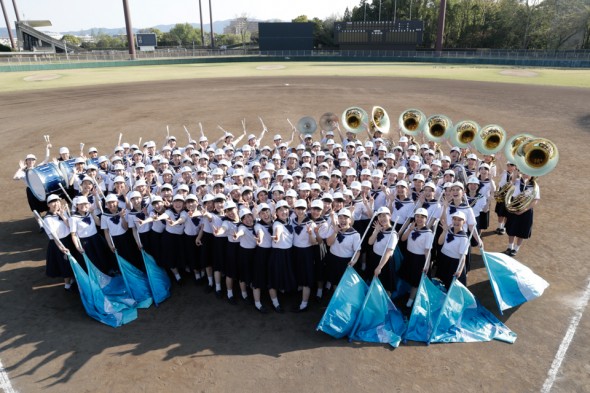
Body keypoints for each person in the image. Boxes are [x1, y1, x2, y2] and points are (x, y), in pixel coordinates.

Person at [40, 194, 78, 291]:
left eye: (57, 201)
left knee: (73, 262)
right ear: (48, 205)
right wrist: (61, 247)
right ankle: (67, 285)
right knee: (65, 264)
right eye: (53, 202)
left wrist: (63, 215)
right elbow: (53, 235)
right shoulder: (47, 219)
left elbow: (70, 226)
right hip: (59, 243)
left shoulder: (62, 212)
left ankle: (74, 280)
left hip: (69, 240)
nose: (56, 204)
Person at [70, 196, 114, 274]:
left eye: (85, 203)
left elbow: (99, 223)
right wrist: (77, 247)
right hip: (85, 242)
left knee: (102, 255)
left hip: (96, 238)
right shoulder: (73, 218)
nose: (83, 206)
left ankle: (108, 271)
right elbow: (73, 234)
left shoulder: (90, 213)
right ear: (77, 206)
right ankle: (98, 275)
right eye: (81, 204)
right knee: (93, 258)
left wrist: (93, 213)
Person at [399, 208, 434, 307]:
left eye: (422, 217)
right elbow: (403, 239)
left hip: (419, 259)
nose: (419, 219)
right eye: (417, 216)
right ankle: (408, 293)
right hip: (409, 256)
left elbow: (427, 251)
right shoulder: (411, 227)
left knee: (416, 281)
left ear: (426, 219)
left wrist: (427, 264)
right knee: (408, 276)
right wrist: (410, 229)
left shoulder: (428, 233)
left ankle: (410, 301)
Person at [268, 200, 297, 313]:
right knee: (273, 279)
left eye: (285, 209)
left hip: (288, 253)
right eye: (281, 210)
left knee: (286, 276)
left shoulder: (289, 220)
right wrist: (277, 237)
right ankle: (275, 303)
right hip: (278, 254)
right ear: (276, 212)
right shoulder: (277, 223)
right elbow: (278, 231)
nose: (284, 212)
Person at [291, 199, 318, 312]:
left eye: (302, 208)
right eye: (298, 208)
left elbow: (314, 242)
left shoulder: (311, 223)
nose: (300, 211)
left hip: (306, 252)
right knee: (297, 273)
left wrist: (311, 234)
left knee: (307, 277)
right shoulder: (292, 221)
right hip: (294, 251)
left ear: (306, 209)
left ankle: (304, 303)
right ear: (295, 209)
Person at [504, 172, 540, 256]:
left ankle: (516, 248)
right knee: (511, 228)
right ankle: (510, 246)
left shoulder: (535, 186)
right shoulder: (516, 181)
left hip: (526, 209)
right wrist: (516, 171)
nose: (525, 175)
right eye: (524, 173)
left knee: (522, 230)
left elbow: (535, 200)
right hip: (514, 206)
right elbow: (511, 182)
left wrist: (524, 210)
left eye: (528, 173)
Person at [366, 206, 400, 294]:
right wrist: (376, 231)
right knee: (374, 281)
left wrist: (379, 267)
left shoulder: (393, 234)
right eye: (380, 216)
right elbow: (370, 242)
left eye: (384, 215)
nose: (382, 218)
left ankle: (386, 305)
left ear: (390, 216)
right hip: (375, 257)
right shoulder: (379, 229)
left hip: (385, 261)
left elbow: (388, 252)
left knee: (386, 285)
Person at [326, 209, 361, 287]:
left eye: (345, 218)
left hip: (346, 261)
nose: (343, 220)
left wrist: (354, 261)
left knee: (345, 284)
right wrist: (335, 232)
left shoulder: (355, 234)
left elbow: (357, 251)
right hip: (333, 259)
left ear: (350, 220)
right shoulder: (334, 228)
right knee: (334, 282)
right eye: (340, 218)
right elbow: (328, 243)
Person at [436, 211, 470, 289]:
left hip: (453, 263)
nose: (456, 222)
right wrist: (444, 231)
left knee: (450, 285)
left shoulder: (464, 238)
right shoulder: (448, 230)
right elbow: (440, 242)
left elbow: (463, 256)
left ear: (464, 222)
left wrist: (460, 270)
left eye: (459, 220)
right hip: (443, 259)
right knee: (441, 282)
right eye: (454, 219)